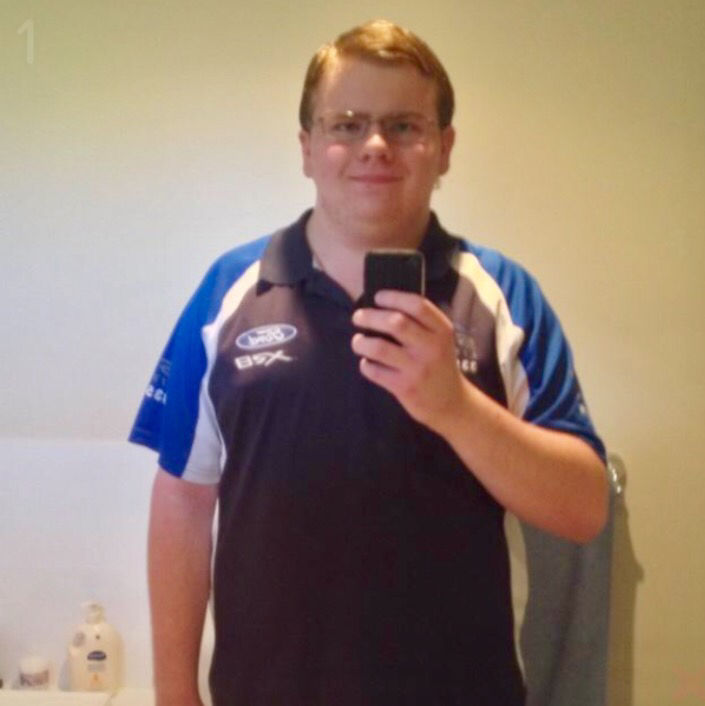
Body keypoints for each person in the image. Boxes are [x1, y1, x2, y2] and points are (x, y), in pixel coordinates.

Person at [130, 19, 608, 706]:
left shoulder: (503, 298)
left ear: (444, 149)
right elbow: (182, 497)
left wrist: (456, 408)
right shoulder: (227, 294)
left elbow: (583, 509)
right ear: (307, 147)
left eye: (404, 125)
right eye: (346, 125)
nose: (375, 146)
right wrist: (174, 693)